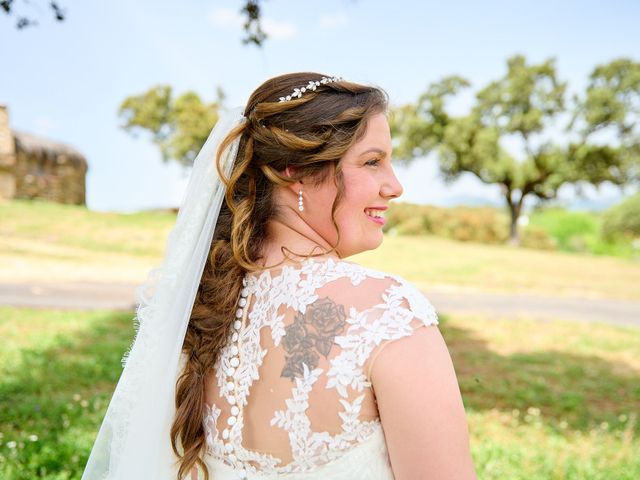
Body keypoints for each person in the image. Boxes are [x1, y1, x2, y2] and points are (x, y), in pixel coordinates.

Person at [82, 72, 477, 480]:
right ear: (296, 170)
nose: (395, 186)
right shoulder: (388, 314)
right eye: (372, 162)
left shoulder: (205, 305)